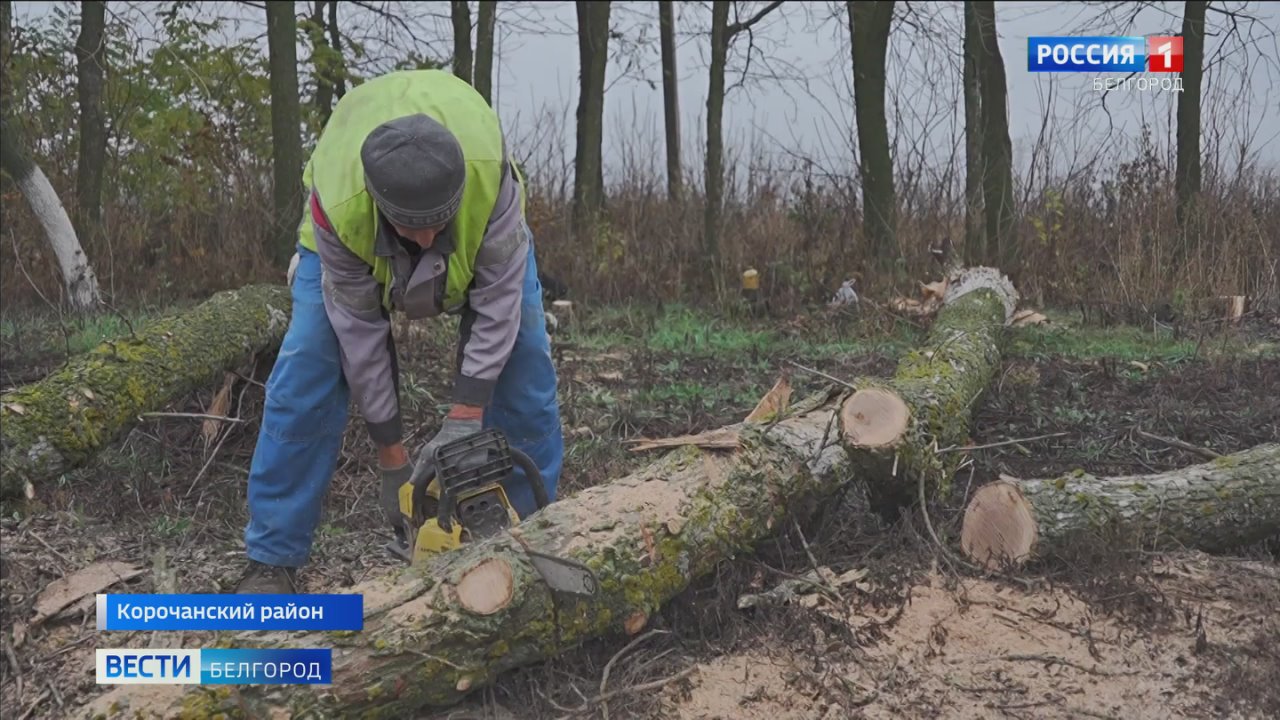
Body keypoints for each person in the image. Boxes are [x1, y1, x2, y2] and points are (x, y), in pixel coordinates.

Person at [234, 69, 563, 594]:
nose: (429, 236)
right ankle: (272, 558)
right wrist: (393, 458)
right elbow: (360, 336)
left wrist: (464, 418)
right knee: (308, 367)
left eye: (440, 220)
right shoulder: (343, 204)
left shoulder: (488, 180)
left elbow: (498, 304)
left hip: (486, 222)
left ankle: (529, 529)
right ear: (383, 206)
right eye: (414, 225)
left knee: (525, 358)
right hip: (338, 239)